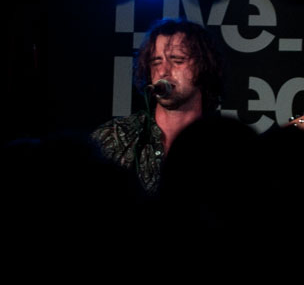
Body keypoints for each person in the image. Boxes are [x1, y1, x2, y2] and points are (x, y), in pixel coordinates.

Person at [91, 18, 226, 196]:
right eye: (156, 62)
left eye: (177, 60)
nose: (163, 71)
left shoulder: (225, 146)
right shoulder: (113, 137)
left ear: (203, 66)